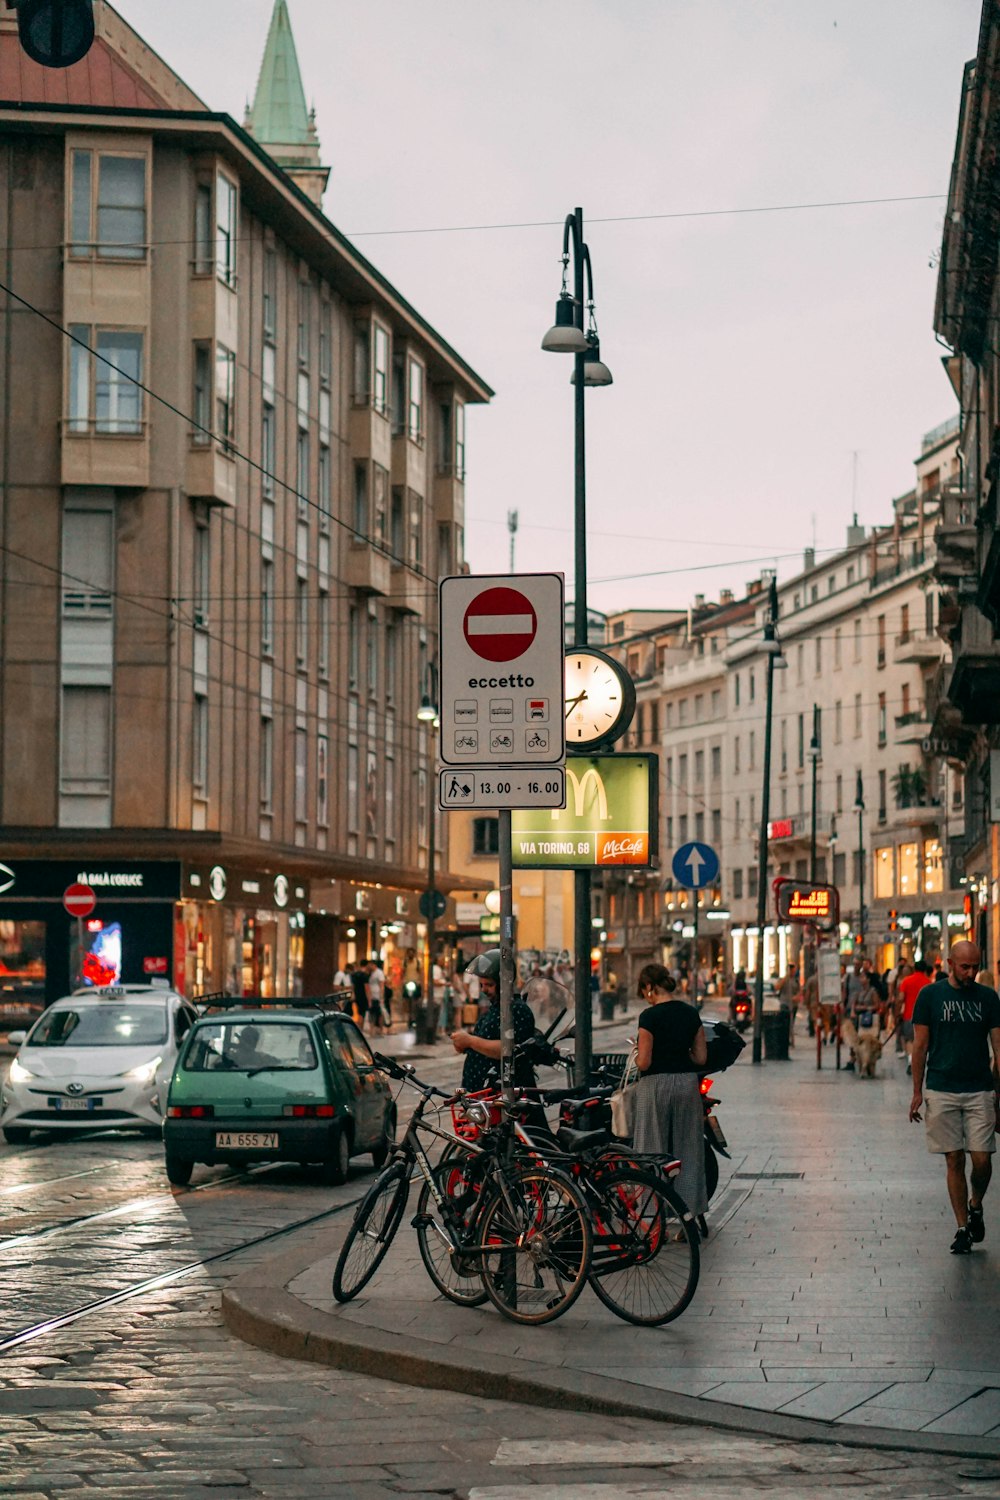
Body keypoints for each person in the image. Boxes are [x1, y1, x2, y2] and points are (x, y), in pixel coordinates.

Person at [909, 939, 1000, 1255]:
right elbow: (919, 1046)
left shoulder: (988, 998)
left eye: (976, 966)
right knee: (954, 1158)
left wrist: (999, 1091)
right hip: (941, 1087)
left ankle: (976, 1203)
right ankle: (963, 1227)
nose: (971, 972)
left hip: (979, 1088)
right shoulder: (930, 996)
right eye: (965, 966)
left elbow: (999, 1047)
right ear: (950, 963)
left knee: (982, 1159)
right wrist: (917, 1092)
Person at [632, 962, 708, 1234]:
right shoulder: (691, 1013)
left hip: (655, 1086)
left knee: (652, 1151)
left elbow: (644, 1061)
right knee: (688, 1149)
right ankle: (689, 1215)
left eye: (644, 991)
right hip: (687, 1084)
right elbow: (701, 1058)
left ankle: (653, 1218)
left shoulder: (649, 1017)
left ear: (650, 987)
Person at [450, 949, 537, 1091]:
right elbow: (484, 1043)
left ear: (503, 982)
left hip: (504, 1097)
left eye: (489, 985)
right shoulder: (493, 1009)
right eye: (481, 985)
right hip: (482, 1097)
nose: (484, 990)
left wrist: (470, 1041)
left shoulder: (516, 1010)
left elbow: (508, 1049)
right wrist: (465, 1044)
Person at [898, 959, 932, 1075]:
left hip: (909, 1015)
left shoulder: (906, 981)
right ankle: (921, 1062)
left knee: (909, 1040)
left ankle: (910, 1061)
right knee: (922, 1040)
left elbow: (901, 998)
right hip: (925, 1018)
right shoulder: (929, 982)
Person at [777, 963, 800, 1049]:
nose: (793, 972)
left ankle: (790, 1039)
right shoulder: (783, 979)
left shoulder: (795, 980)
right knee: (785, 1023)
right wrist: (785, 978)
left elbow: (800, 991)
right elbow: (777, 987)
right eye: (792, 970)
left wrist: (797, 997)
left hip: (793, 1004)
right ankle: (786, 1039)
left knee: (791, 1023)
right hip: (784, 1003)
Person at [366, 956, 387, 1034]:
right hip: (372, 996)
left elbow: (382, 985)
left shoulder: (379, 973)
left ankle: (380, 1029)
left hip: (377, 996)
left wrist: (381, 996)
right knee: (372, 1013)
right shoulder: (370, 974)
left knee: (379, 1013)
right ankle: (372, 1029)